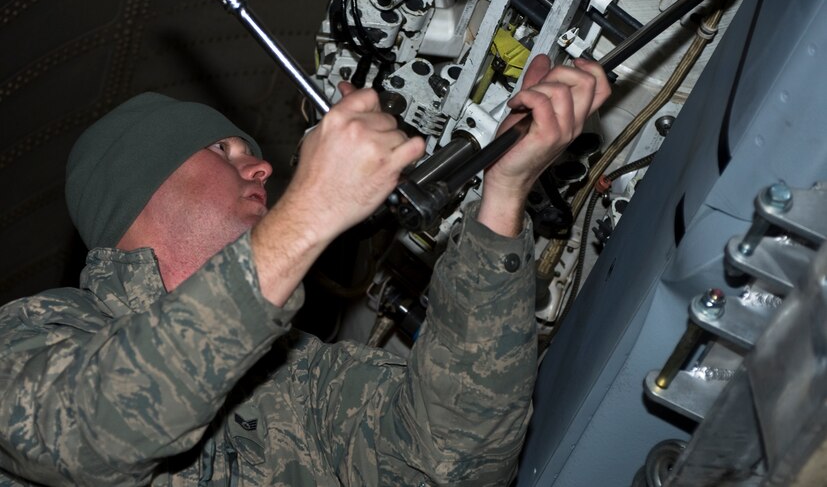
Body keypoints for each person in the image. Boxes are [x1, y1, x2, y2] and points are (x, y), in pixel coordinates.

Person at [0, 54, 610, 486]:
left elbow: (452, 464)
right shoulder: (33, 336)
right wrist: (312, 209)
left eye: (254, 154)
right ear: (142, 186)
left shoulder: (301, 379)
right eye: (223, 150)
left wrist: (504, 193)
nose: (262, 168)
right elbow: (90, 431)